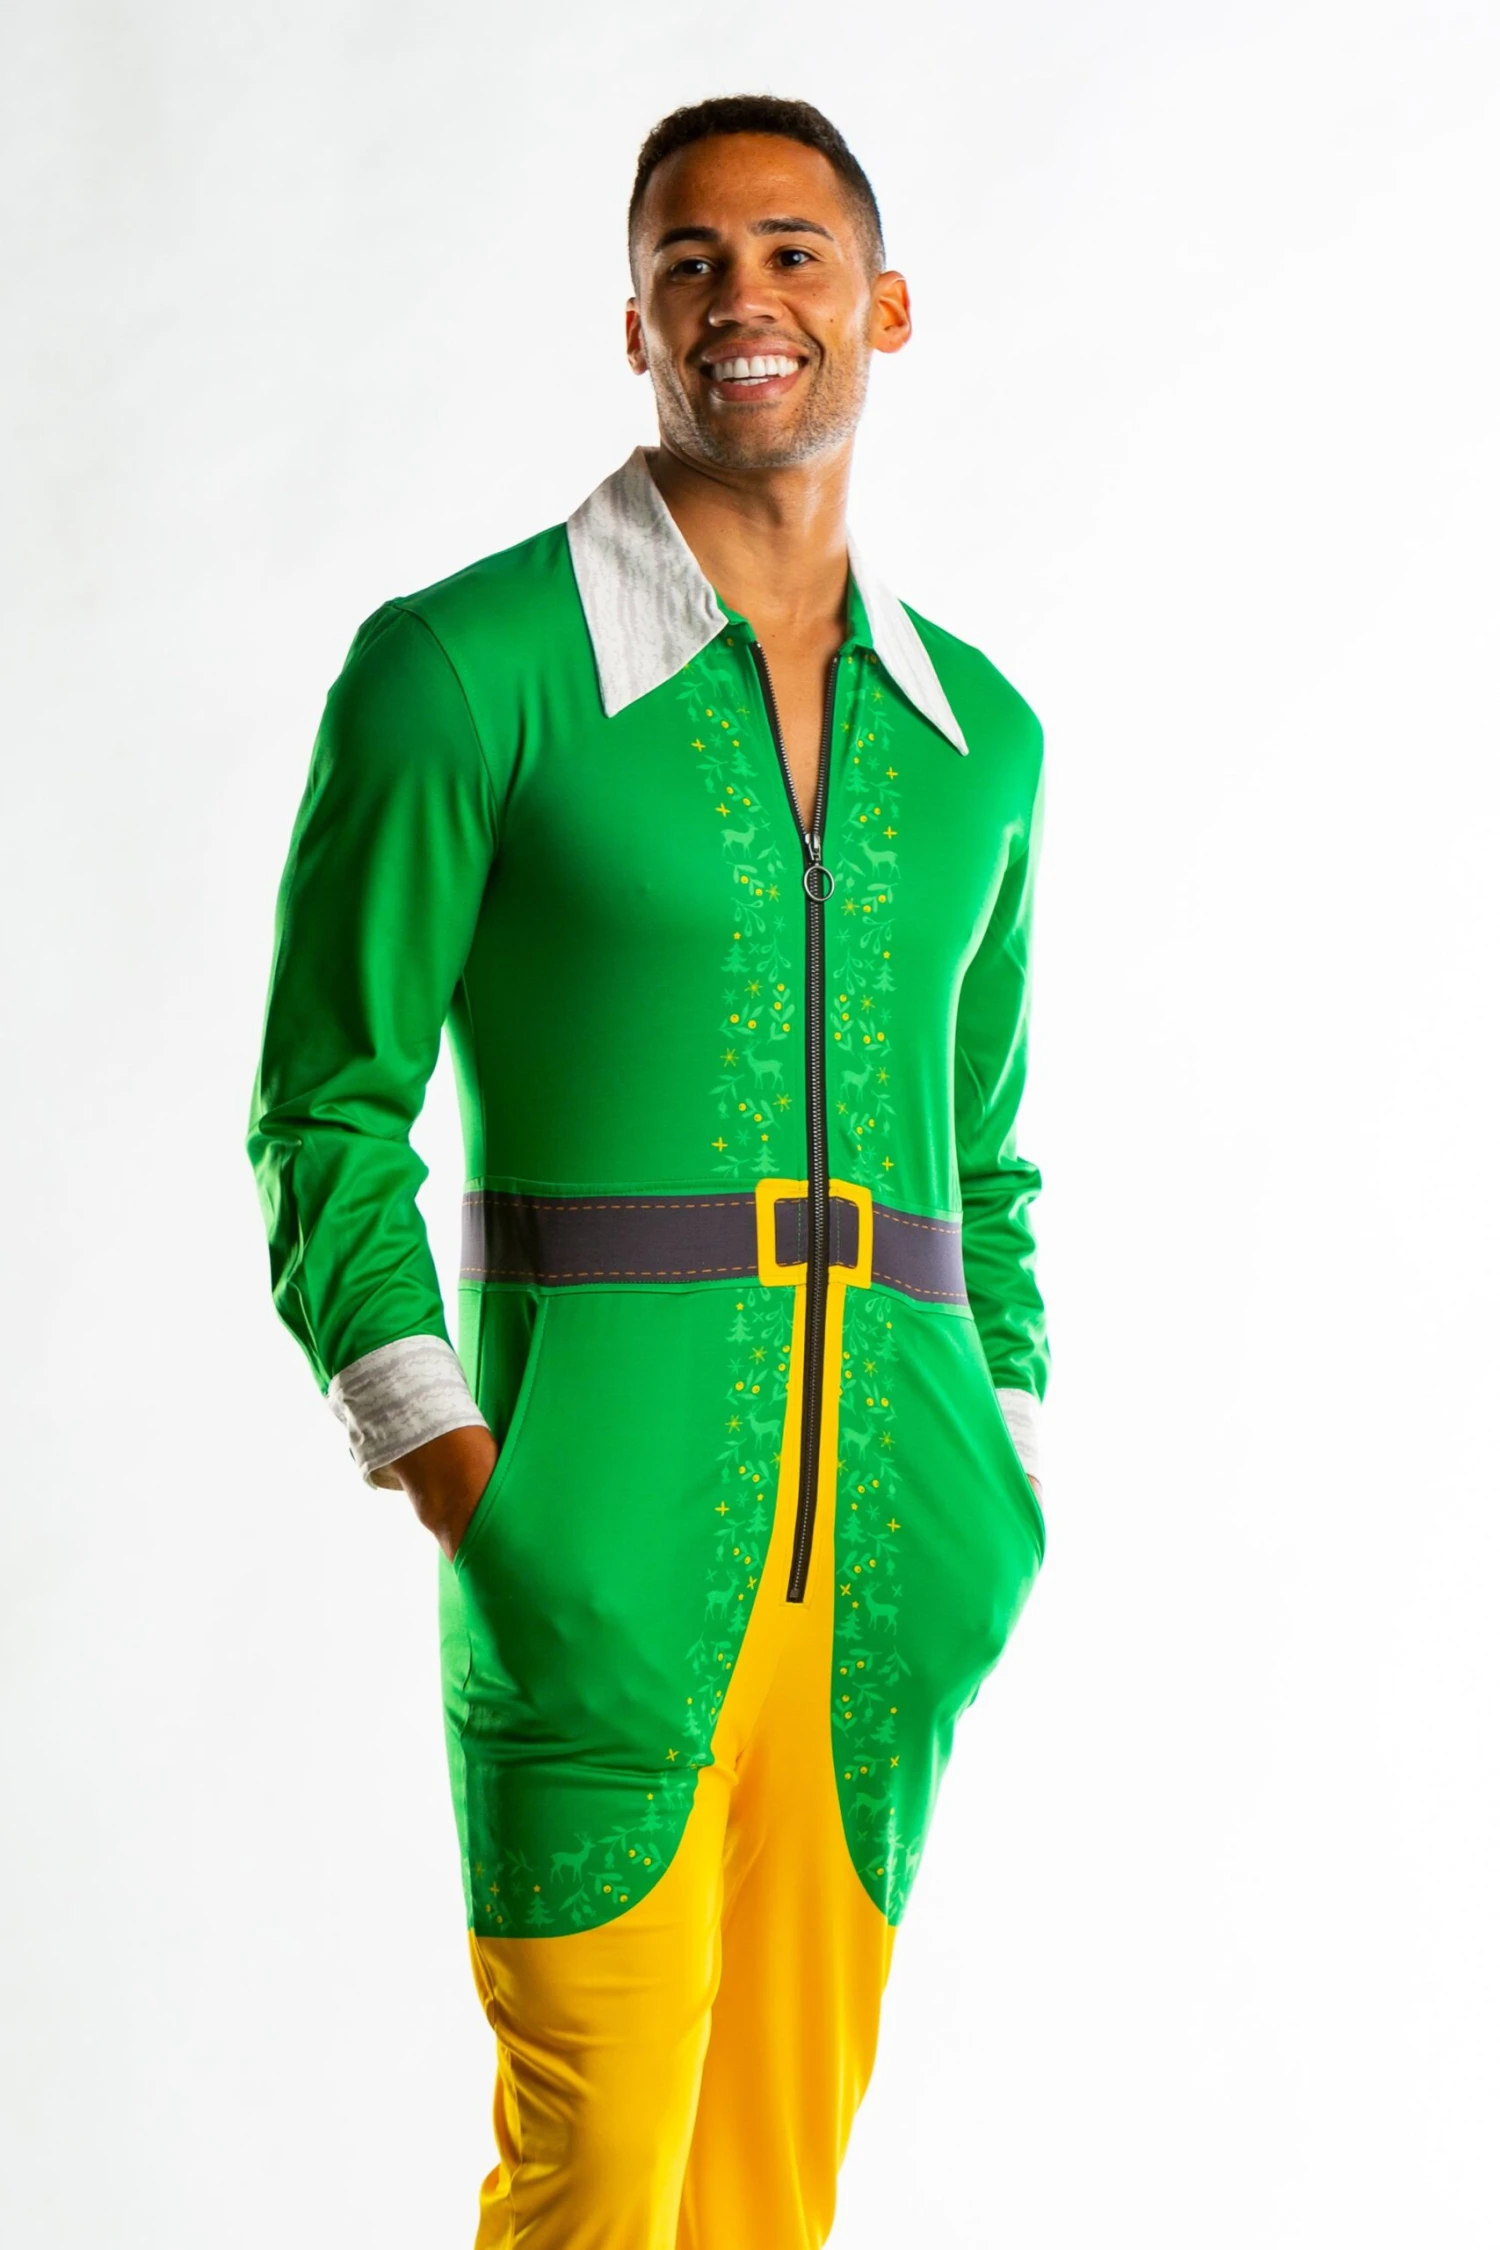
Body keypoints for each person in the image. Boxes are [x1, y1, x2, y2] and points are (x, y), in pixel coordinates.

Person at [245, 90, 1050, 2250]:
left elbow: (984, 1158)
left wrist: (1006, 1465)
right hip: (589, 1543)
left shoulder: (980, 737)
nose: (741, 298)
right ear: (636, 323)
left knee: (775, 2193)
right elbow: (325, 1107)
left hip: (897, 1570)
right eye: (689, 261)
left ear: (883, 306)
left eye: (793, 254)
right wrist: (461, 1477)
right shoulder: (463, 671)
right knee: (596, 2187)